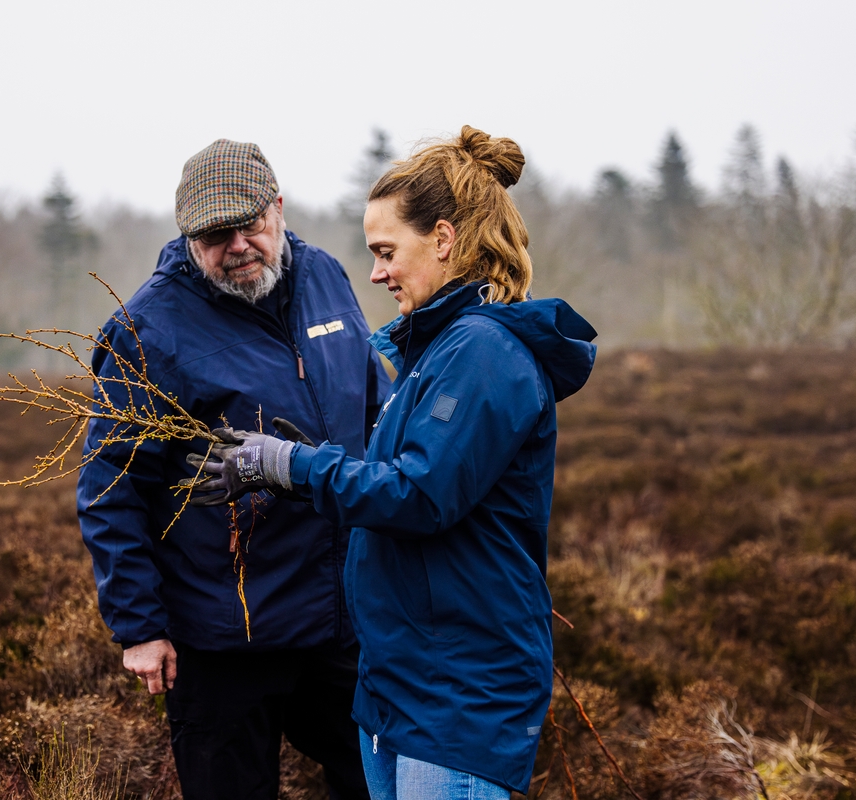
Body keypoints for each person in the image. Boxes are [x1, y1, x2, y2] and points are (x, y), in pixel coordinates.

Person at [187, 126, 598, 799]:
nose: (376, 274)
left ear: (443, 239)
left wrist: (292, 466)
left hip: (461, 695)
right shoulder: (435, 352)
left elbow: (420, 494)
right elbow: (402, 476)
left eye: (386, 252)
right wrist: (306, 465)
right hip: (400, 688)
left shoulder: (484, 354)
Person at [77, 138, 388, 800]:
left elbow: (375, 410)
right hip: (223, 637)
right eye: (216, 235)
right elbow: (111, 487)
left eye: (250, 224)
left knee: (378, 786)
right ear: (188, 236)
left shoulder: (327, 277)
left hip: (341, 621)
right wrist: (139, 626)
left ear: (279, 208)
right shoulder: (146, 330)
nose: (238, 246)